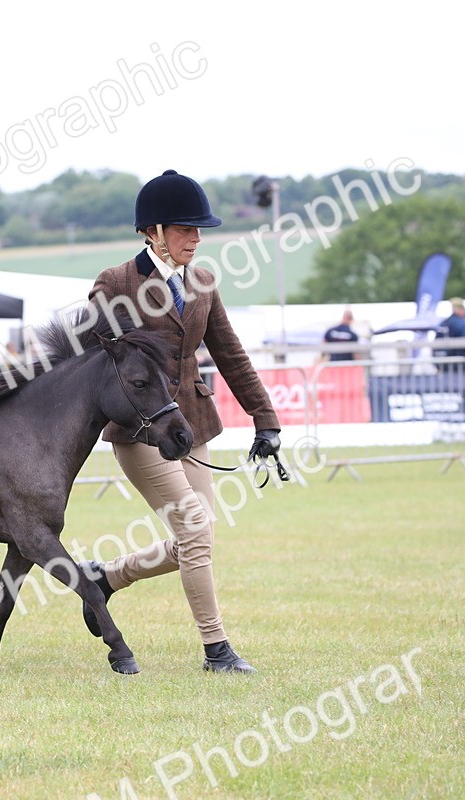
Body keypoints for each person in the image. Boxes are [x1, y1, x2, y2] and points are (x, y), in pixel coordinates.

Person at [79, 169, 282, 674]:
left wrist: (265, 418)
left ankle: (106, 578)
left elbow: (230, 354)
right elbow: (94, 364)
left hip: (192, 423)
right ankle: (217, 650)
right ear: (153, 232)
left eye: (199, 231)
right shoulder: (116, 283)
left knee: (199, 539)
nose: (196, 239)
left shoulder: (203, 282)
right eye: (185, 230)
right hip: (141, 429)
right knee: (194, 529)